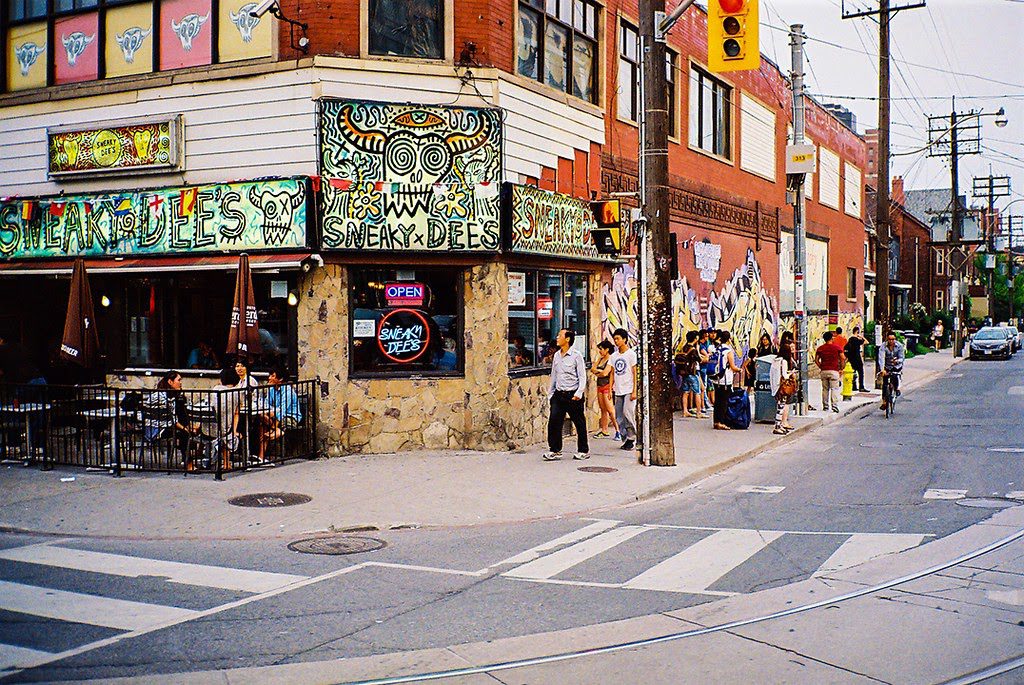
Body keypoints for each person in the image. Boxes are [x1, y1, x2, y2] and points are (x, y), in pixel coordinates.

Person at [542, 328, 589, 461]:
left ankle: (583, 450)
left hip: (573, 395)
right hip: (559, 394)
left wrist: (579, 392)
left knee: (579, 423)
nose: (557, 338)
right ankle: (555, 450)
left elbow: (582, 376)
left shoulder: (576, 356)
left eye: (560, 336)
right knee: (554, 422)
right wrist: (551, 394)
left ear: (567, 339)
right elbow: (554, 375)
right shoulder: (557, 355)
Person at [150, 370, 202, 468]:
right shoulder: (167, 398)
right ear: (170, 382)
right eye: (179, 380)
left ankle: (190, 431)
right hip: (159, 429)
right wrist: (185, 429)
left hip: (153, 426)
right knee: (184, 434)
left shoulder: (159, 394)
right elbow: (172, 420)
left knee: (181, 409)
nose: (181, 383)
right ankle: (189, 463)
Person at [259, 366, 303, 463]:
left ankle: (277, 431)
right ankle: (261, 457)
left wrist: (273, 417)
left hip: (290, 416)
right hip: (276, 416)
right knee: (261, 418)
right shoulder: (271, 389)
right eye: (270, 375)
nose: (269, 378)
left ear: (281, 379)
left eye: (273, 376)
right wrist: (269, 412)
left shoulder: (287, 391)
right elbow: (266, 404)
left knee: (269, 423)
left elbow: (283, 411)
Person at [610, 328, 638, 450]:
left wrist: (634, 390)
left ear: (624, 339)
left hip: (629, 388)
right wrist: (611, 387)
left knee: (628, 412)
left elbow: (634, 372)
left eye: (618, 339)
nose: (616, 341)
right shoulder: (614, 356)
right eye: (614, 339)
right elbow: (612, 373)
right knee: (619, 416)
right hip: (618, 389)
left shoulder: (631, 354)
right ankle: (625, 437)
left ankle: (632, 437)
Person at [710, 330, 743, 430]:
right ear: (729, 339)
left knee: (717, 401)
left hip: (716, 379)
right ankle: (721, 422)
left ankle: (716, 421)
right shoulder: (728, 351)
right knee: (723, 401)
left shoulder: (717, 348)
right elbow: (733, 367)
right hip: (725, 380)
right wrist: (739, 369)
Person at [211, 366, 241, 468]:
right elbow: (236, 413)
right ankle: (226, 463)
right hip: (225, 429)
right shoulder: (236, 392)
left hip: (209, 428)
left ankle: (209, 459)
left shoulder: (215, 390)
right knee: (227, 433)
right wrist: (234, 430)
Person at [590, 340, 618, 437]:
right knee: (603, 409)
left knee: (610, 409)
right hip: (599, 385)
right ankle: (604, 429)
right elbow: (592, 369)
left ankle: (618, 430)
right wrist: (599, 371)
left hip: (606, 386)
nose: (600, 351)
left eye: (601, 349)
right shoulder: (600, 359)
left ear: (607, 349)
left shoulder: (610, 359)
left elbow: (605, 373)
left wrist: (598, 372)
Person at [770, 339, 797, 435]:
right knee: (781, 407)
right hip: (783, 387)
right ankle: (777, 426)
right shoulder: (784, 361)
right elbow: (785, 375)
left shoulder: (775, 360)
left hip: (775, 385)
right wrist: (791, 373)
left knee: (779, 406)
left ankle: (779, 425)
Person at [674, 330, 704, 418]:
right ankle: (699, 412)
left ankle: (685, 411)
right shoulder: (693, 350)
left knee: (685, 392)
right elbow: (699, 360)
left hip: (684, 373)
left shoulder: (685, 347)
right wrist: (698, 350)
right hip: (692, 373)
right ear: (696, 338)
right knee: (697, 392)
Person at [814, 331, 845, 413]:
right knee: (834, 388)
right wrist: (841, 368)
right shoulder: (837, 348)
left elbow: (816, 360)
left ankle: (825, 406)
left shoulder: (820, 348)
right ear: (832, 338)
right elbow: (843, 358)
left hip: (824, 371)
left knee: (825, 389)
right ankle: (834, 406)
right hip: (834, 370)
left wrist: (821, 366)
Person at [880, 332, 905, 411]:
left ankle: (896, 389)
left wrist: (897, 361)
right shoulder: (883, 346)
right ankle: (884, 401)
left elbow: (902, 358)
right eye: (889, 339)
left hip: (896, 366)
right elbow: (881, 358)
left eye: (893, 339)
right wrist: (882, 369)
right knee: (885, 384)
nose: (891, 341)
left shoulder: (899, 346)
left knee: (895, 377)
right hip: (887, 366)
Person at [844, 326, 868, 392]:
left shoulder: (850, 339)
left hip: (851, 359)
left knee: (853, 373)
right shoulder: (857, 340)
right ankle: (861, 387)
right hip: (857, 358)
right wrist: (861, 337)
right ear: (857, 331)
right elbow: (866, 342)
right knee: (860, 373)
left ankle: (854, 386)